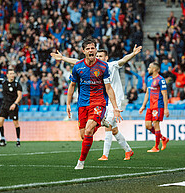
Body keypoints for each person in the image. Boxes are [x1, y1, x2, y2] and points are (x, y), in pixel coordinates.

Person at [51, 45, 143, 161]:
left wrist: (133, 54)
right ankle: (128, 150)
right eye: (97, 55)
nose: (97, 57)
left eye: (100, 56)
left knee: (108, 126)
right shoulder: (92, 66)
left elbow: (123, 60)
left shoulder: (111, 66)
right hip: (101, 100)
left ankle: (105, 155)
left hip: (114, 100)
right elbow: (77, 62)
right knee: (113, 129)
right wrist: (63, 58)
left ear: (106, 57)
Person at [66, 38, 123, 169]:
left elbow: (108, 88)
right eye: (88, 49)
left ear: (96, 50)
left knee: (88, 129)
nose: (91, 51)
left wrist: (115, 108)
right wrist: (68, 104)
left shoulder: (103, 67)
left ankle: (80, 162)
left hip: (98, 102)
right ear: (83, 51)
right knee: (84, 135)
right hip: (82, 104)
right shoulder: (78, 67)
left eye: (93, 48)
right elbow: (72, 85)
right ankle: (100, 122)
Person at [139, 62, 170, 152]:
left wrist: (166, 108)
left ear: (154, 69)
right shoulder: (149, 79)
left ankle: (156, 147)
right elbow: (147, 93)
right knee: (148, 125)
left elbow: (165, 94)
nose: (148, 69)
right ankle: (163, 139)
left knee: (156, 124)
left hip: (158, 105)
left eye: (149, 67)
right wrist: (143, 105)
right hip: (150, 106)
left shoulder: (161, 80)